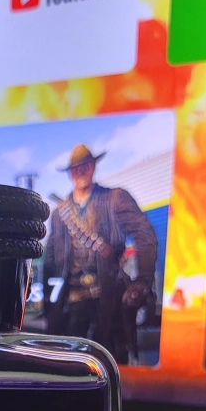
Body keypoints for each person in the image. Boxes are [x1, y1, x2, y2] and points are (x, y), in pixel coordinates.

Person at [43, 144, 158, 365]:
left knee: (111, 362)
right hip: (73, 301)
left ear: (93, 166)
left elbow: (145, 235)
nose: (81, 171)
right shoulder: (59, 214)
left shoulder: (115, 198)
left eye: (85, 165)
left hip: (108, 297)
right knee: (70, 364)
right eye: (76, 168)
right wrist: (48, 301)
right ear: (70, 173)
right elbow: (50, 259)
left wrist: (143, 279)